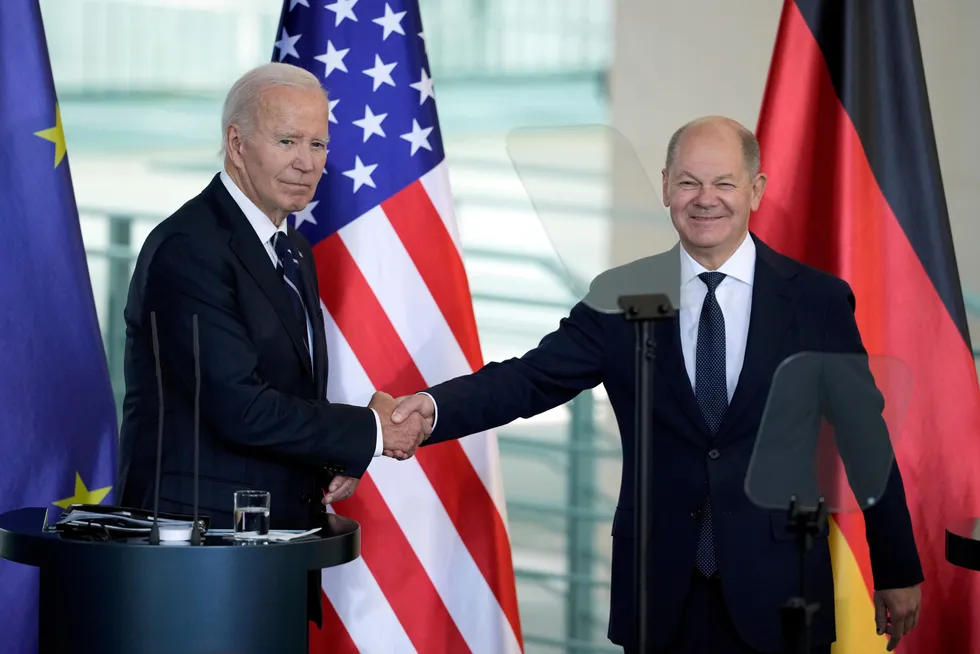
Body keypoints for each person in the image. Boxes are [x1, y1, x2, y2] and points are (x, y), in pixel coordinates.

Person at [387, 116, 924, 653]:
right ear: (666, 186)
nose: (705, 199)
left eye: (724, 183)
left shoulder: (817, 302)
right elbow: (530, 379)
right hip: (661, 595)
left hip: (780, 591)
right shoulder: (622, 294)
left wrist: (896, 566)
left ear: (755, 190)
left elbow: (864, 439)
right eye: (689, 182)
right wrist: (430, 409)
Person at [116, 62, 427, 625]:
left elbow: (286, 390)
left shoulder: (292, 249)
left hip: (270, 547)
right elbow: (241, 408)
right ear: (236, 144)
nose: (307, 163)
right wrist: (371, 432)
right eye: (287, 141)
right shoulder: (190, 248)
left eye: (318, 143)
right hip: (198, 556)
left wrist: (337, 449)